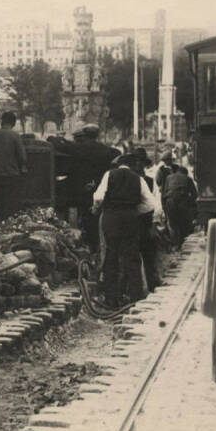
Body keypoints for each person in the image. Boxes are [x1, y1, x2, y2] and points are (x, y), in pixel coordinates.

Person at [92, 153, 154, 308]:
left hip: (111, 217)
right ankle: (136, 298)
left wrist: (96, 208)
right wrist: (133, 211)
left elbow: (99, 197)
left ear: (119, 164)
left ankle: (111, 299)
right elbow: (150, 205)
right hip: (131, 219)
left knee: (111, 256)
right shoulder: (138, 179)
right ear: (132, 165)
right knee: (132, 257)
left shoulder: (109, 174)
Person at [70, 124, 120, 253]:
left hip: (82, 190)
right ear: (97, 135)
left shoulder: (77, 149)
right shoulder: (105, 150)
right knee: (99, 219)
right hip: (100, 189)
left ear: (84, 135)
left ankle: (88, 247)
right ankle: (99, 247)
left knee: (85, 218)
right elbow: (117, 154)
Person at [132, 147, 163, 294]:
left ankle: (152, 284)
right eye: (136, 162)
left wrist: (154, 222)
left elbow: (157, 202)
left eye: (141, 162)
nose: (138, 165)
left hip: (146, 221)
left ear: (144, 164)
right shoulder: (129, 179)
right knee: (132, 258)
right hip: (132, 221)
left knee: (149, 253)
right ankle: (135, 290)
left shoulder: (150, 181)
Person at [162, 164, 198, 249]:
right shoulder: (188, 178)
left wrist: (164, 207)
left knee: (173, 223)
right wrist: (190, 203)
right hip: (182, 201)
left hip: (169, 201)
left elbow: (163, 194)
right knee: (183, 223)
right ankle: (183, 243)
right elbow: (195, 194)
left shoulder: (168, 178)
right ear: (185, 173)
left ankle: (176, 244)